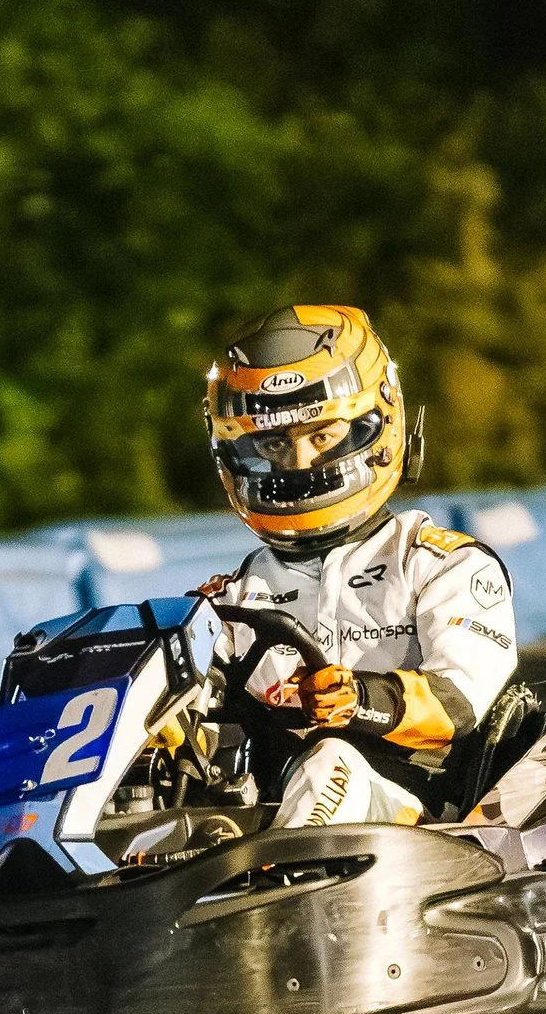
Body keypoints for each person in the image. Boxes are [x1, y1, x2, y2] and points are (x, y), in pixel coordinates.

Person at [199, 301, 519, 827]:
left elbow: (457, 701)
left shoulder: (444, 564)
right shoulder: (234, 598)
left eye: (321, 437)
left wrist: (358, 698)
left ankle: (278, 890)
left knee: (330, 762)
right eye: (276, 444)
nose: (299, 465)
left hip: (430, 815)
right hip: (268, 816)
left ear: (376, 427)